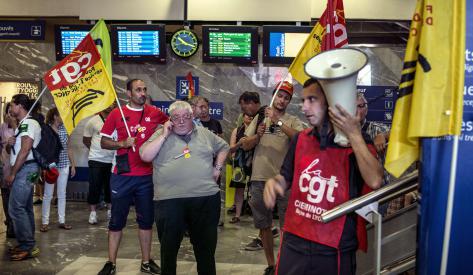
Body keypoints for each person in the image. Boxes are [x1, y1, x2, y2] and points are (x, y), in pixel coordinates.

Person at [263, 79, 383, 275]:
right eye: (303, 100)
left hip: (334, 246)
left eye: (312, 100)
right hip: (294, 239)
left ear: (330, 102)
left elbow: (375, 180)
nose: (304, 107)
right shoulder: (301, 139)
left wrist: (354, 134)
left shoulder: (357, 142)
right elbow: (286, 176)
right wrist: (275, 183)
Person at [140, 100, 229, 275]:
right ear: (170, 119)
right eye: (176, 117)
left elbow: (224, 147)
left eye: (186, 116)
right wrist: (164, 134)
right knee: (168, 250)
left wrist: (217, 168)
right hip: (169, 201)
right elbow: (145, 155)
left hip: (205, 200)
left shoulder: (204, 133)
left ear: (192, 116)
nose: (181, 121)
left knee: (205, 251)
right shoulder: (160, 134)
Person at [98, 79, 168, 275]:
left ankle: (146, 262)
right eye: (138, 90)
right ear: (128, 93)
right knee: (116, 222)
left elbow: (170, 126)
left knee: (146, 222)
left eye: (144, 89)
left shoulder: (154, 112)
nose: (142, 93)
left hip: (146, 177)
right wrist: (122, 143)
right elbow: (103, 142)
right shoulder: (116, 113)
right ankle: (111, 263)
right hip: (121, 177)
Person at [240, 81, 304, 275]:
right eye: (279, 96)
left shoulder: (292, 120)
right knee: (264, 225)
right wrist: (257, 136)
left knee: (287, 226)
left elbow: (300, 139)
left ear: (288, 102)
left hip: (284, 180)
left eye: (286, 98)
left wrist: (277, 121)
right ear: (274, 96)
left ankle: (285, 263)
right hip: (259, 178)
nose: (282, 100)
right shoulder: (260, 117)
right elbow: (245, 145)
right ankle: (270, 265)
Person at [5, 94, 42, 261]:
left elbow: (26, 149)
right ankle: (28, 243)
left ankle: (28, 245)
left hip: (26, 169)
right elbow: (16, 149)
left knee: (15, 207)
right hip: (25, 169)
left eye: (12, 105)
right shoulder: (23, 125)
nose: (10, 108)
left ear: (20, 106)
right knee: (25, 207)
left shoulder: (29, 123)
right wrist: (10, 144)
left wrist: (13, 173)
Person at [40, 107, 76, 232]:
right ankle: (45, 222)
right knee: (48, 194)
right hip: (51, 166)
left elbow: (69, 148)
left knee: (62, 194)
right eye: (61, 115)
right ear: (55, 116)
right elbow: (43, 149)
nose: (63, 117)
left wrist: (73, 164)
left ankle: (62, 221)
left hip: (64, 164)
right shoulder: (46, 129)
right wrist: (43, 167)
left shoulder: (65, 129)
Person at [83, 104, 116, 224]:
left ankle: (110, 211)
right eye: (107, 103)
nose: (110, 105)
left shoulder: (117, 119)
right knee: (94, 186)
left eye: (112, 103)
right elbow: (86, 140)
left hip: (112, 160)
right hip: (96, 159)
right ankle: (93, 213)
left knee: (110, 187)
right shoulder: (93, 121)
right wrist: (96, 150)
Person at [228, 113, 253, 223]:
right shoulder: (237, 130)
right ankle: (237, 215)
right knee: (239, 189)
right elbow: (231, 149)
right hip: (240, 163)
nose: (250, 117)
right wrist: (239, 143)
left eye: (252, 116)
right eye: (247, 115)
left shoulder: (257, 130)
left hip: (254, 162)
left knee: (255, 190)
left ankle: (257, 216)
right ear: (242, 117)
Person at [0, 102, 16, 238]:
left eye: (12, 110)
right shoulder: (2, 127)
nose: (10, 113)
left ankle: (16, 224)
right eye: (8, 110)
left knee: (16, 197)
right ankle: (10, 223)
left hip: (17, 165)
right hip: (5, 164)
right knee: (5, 195)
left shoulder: (21, 126)